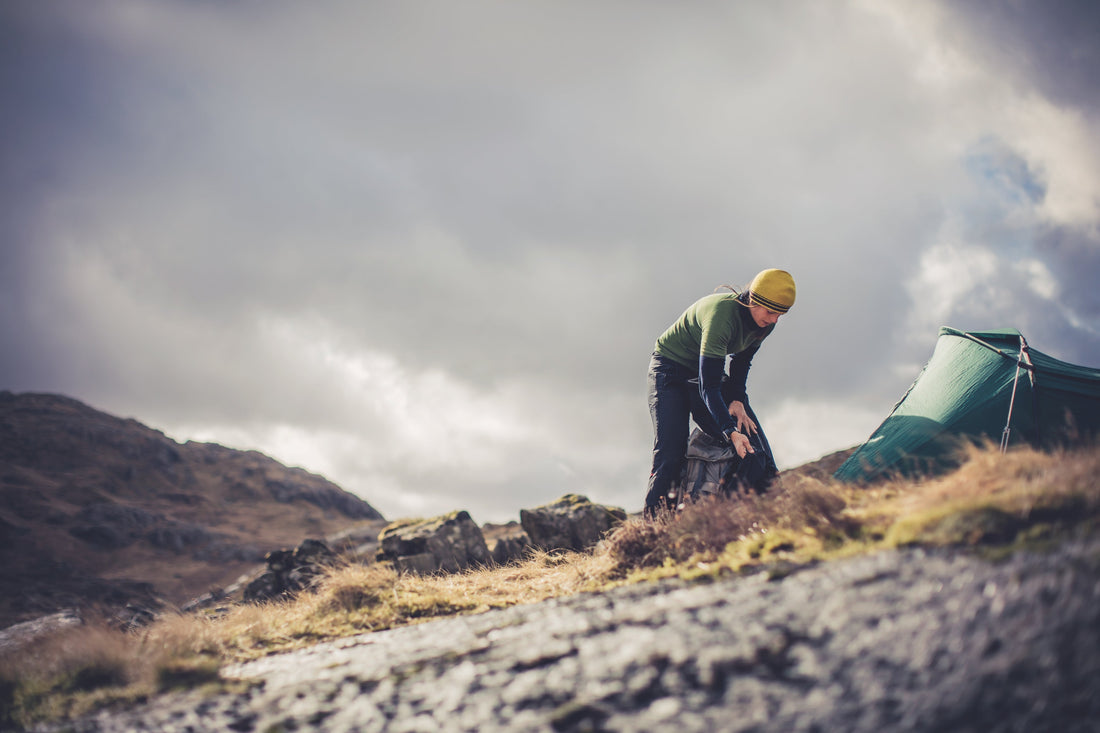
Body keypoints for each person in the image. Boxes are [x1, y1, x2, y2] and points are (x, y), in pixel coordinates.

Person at [644, 268, 796, 516]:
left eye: (781, 314)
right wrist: (729, 431)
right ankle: (653, 532)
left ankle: (729, 520)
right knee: (671, 454)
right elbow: (709, 386)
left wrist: (737, 400)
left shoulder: (765, 324)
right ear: (754, 300)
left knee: (755, 450)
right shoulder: (721, 315)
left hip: (705, 375)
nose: (775, 320)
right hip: (669, 372)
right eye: (771, 312)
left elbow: (740, 362)